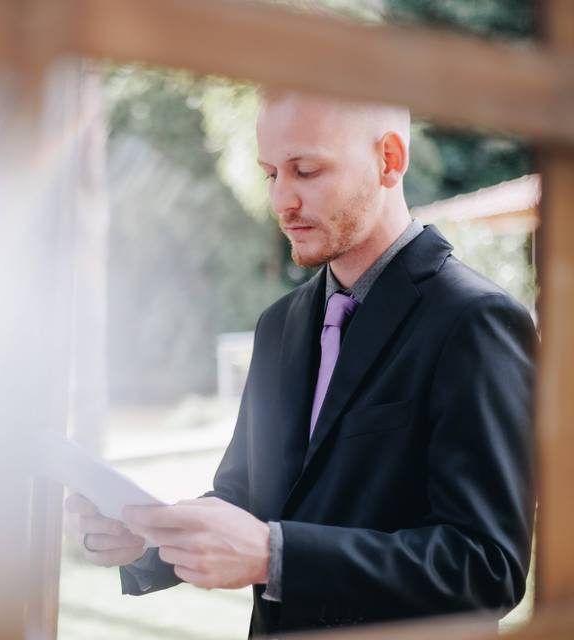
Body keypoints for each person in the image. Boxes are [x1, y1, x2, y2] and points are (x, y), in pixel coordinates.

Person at [64, 90, 537, 636]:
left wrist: (276, 556)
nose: (281, 201)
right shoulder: (277, 325)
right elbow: (242, 498)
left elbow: (486, 566)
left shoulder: (475, 321)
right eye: (271, 175)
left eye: (306, 171)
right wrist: (149, 534)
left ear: (389, 160)